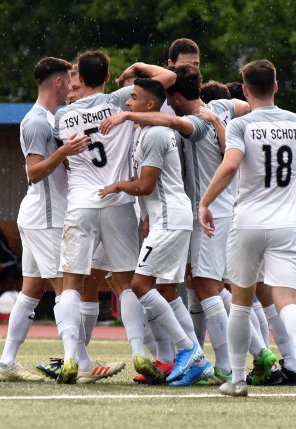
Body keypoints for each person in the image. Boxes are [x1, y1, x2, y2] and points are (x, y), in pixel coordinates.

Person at [198, 59, 296, 400]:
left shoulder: (241, 125)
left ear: (245, 89)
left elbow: (232, 163)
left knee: (240, 303)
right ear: (276, 86)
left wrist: (205, 201)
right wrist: (287, 173)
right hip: (284, 225)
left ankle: (237, 379)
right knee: (287, 302)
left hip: (248, 223)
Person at [53, 51, 177, 384]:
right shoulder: (120, 100)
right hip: (119, 201)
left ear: (82, 80)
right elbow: (167, 79)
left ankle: (69, 358)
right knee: (125, 285)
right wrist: (137, 68)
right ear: (107, 76)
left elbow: (64, 161)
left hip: (80, 202)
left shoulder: (62, 115)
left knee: (71, 284)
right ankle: (138, 351)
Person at [99, 78, 212, 386]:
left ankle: (190, 351)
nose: (127, 103)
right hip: (168, 217)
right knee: (167, 291)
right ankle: (197, 359)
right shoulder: (149, 131)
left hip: (169, 219)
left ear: (150, 105)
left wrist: (119, 185)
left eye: (133, 98)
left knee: (139, 284)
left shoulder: (155, 134)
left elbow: (146, 185)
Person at [0, 57, 99, 383]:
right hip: (47, 217)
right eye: (69, 80)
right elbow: (35, 172)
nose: (72, 85)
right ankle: (80, 363)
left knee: (31, 291)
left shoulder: (52, 119)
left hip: (41, 216)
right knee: (66, 288)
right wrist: (64, 153)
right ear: (57, 83)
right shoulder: (38, 122)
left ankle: (7, 361)